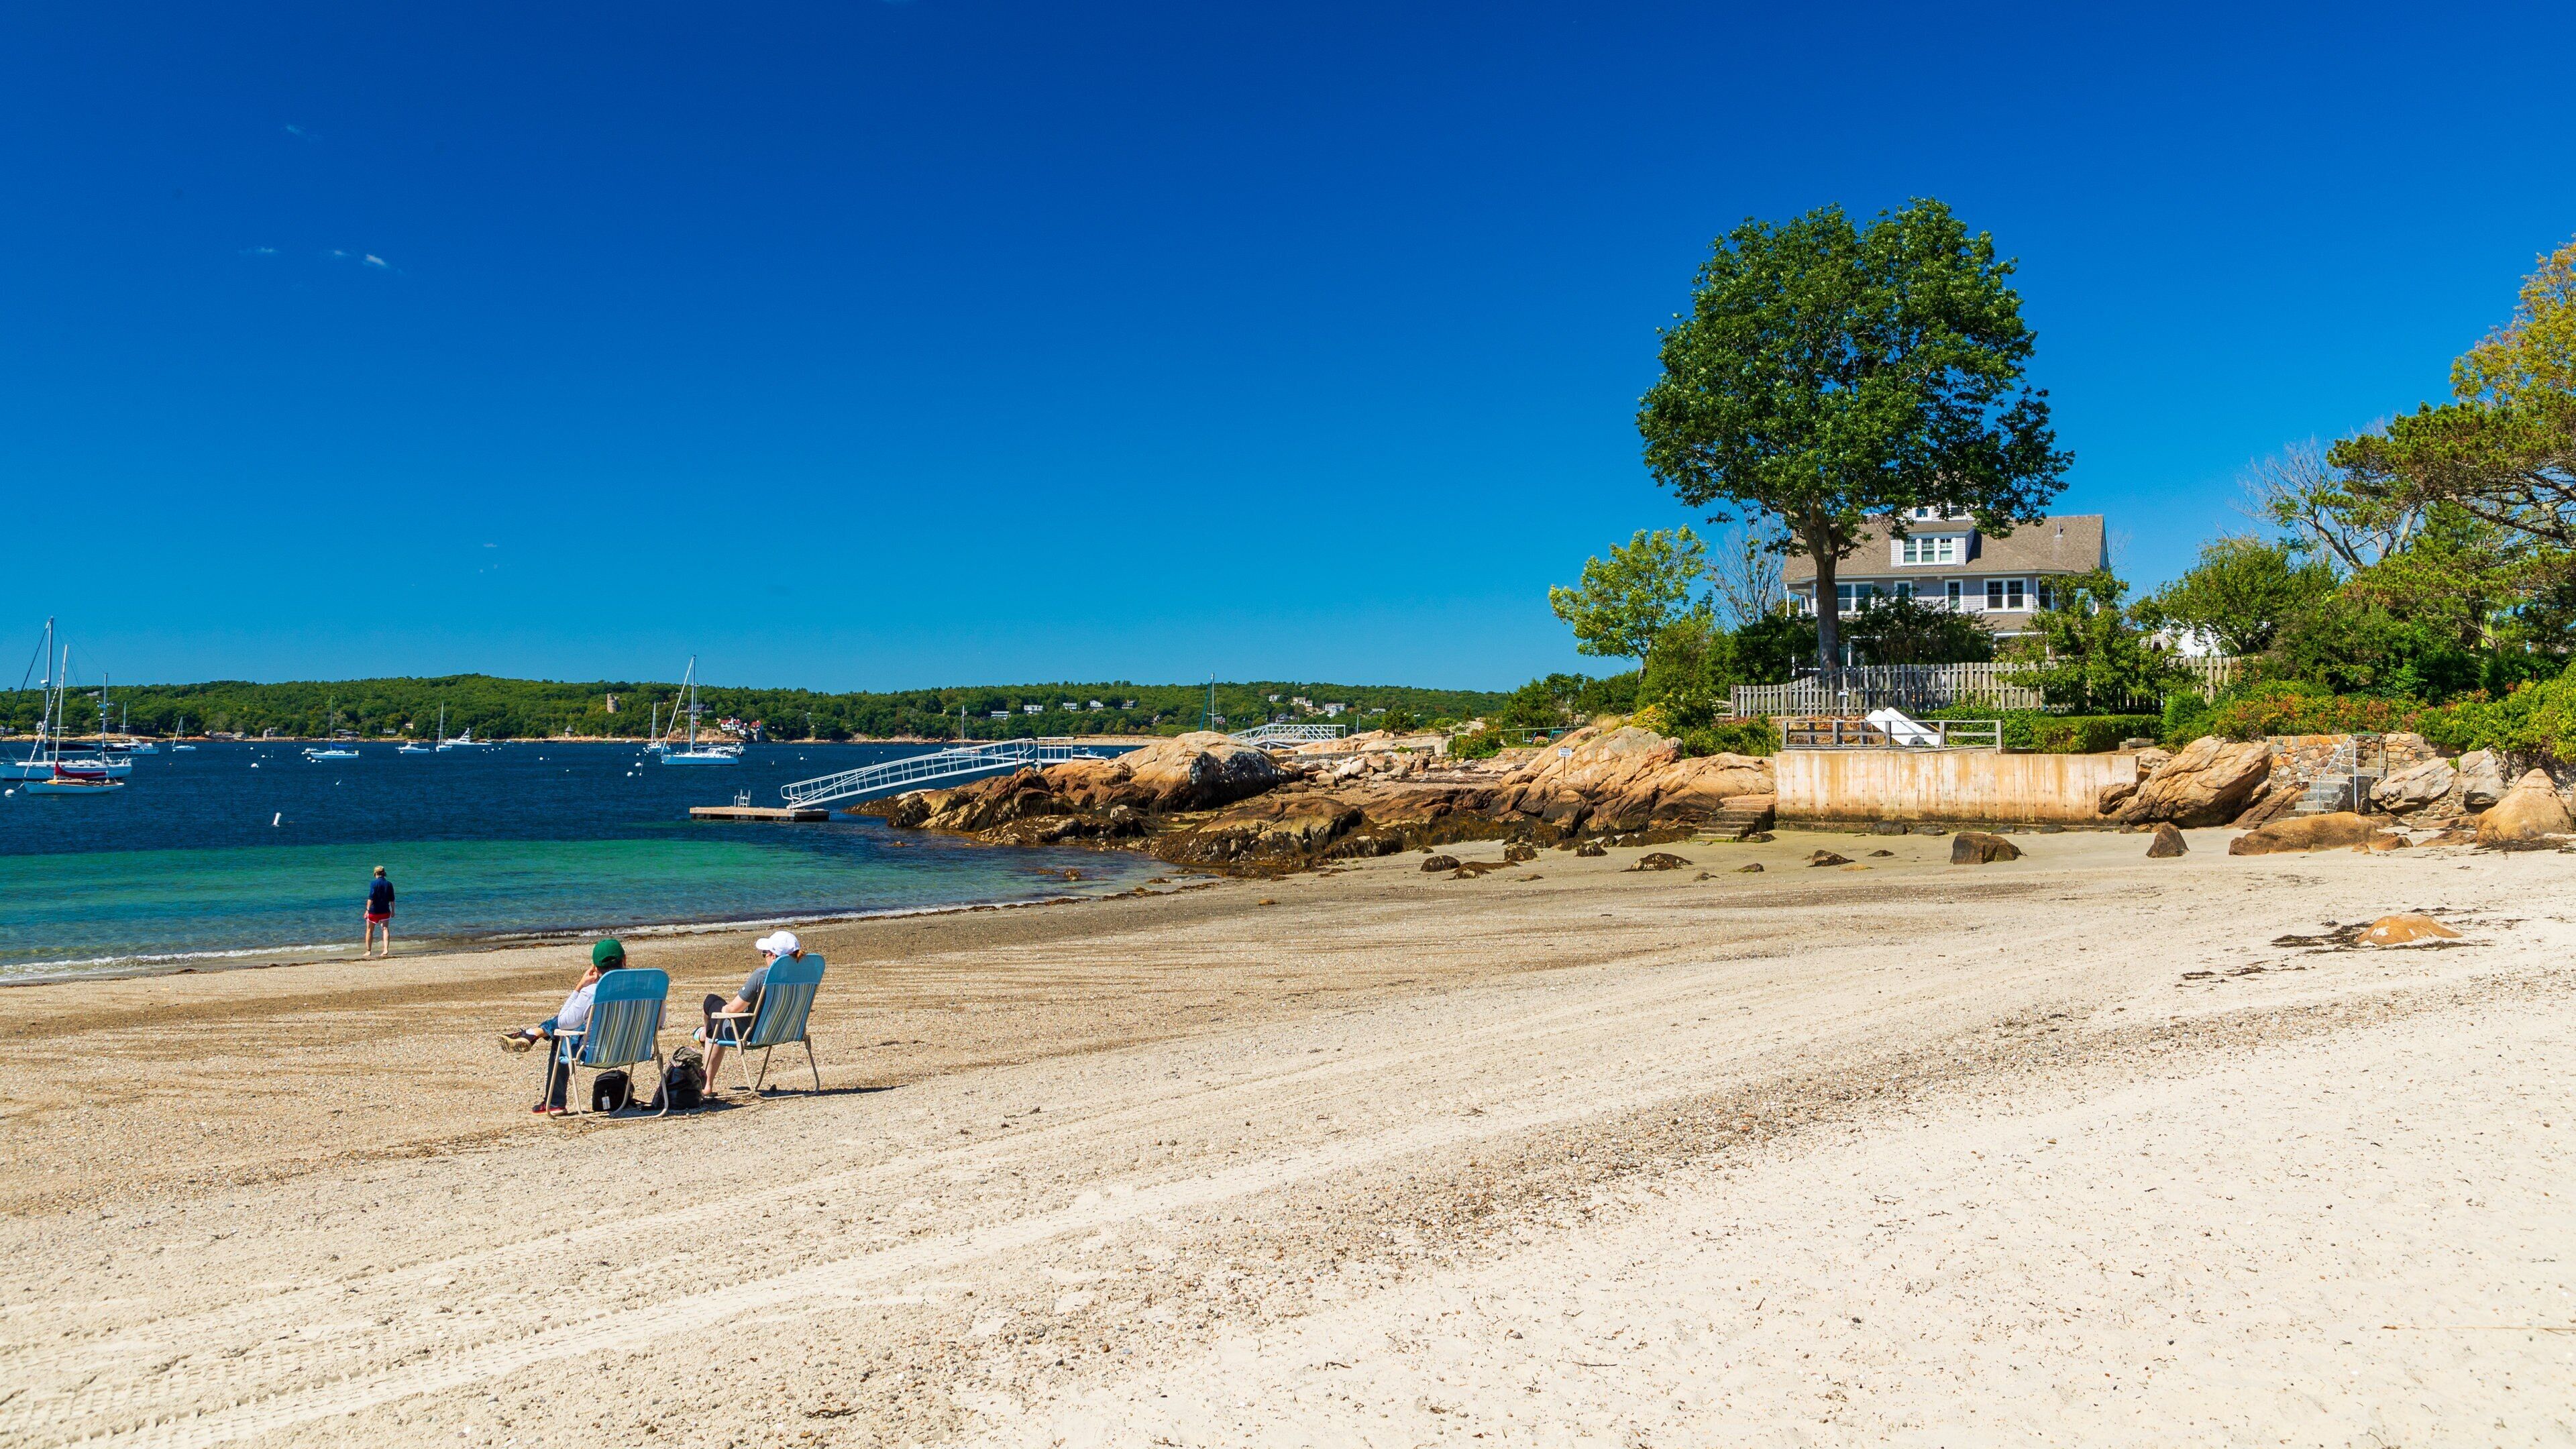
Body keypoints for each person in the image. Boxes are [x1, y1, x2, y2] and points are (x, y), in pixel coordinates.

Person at [499, 938, 626, 1115]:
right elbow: (660, 1022)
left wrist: (579, 987)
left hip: (596, 1054)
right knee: (583, 1022)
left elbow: (563, 1022)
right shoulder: (649, 987)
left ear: (596, 969)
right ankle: (534, 1032)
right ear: (625, 960)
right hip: (633, 1050)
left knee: (560, 1035)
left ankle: (554, 1103)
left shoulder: (591, 992)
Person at [699, 930, 802, 1091]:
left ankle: (707, 1083)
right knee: (716, 1021)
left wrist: (724, 1009)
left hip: (752, 1034)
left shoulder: (762, 977)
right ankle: (705, 1034)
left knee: (712, 1004)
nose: (765, 957)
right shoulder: (803, 979)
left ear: (773, 956)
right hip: (785, 1031)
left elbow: (733, 1009)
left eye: (764, 954)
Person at [363, 866, 396, 958]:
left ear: (376, 873)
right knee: (385, 929)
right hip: (385, 910)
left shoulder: (374, 883)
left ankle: (369, 951)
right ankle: (386, 949)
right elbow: (392, 899)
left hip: (374, 911)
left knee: (370, 930)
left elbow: (371, 898)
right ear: (384, 873)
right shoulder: (389, 884)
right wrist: (393, 910)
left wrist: (367, 910)